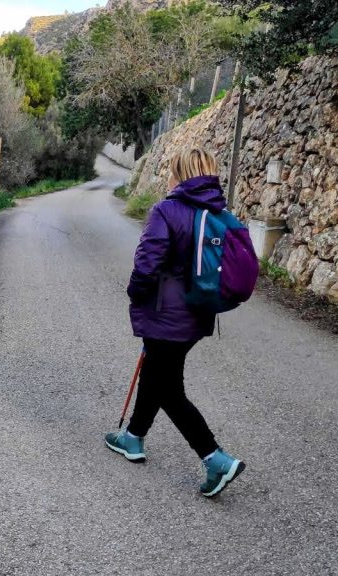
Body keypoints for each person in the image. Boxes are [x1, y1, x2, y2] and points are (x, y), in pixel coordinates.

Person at [105, 147, 246, 498]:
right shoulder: (218, 213)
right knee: (158, 373)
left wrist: (134, 293)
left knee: (168, 388)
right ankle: (133, 437)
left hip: (164, 316)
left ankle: (214, 458)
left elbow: (147, 265)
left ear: (179, 174)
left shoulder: (166, 211)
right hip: (198, 314)